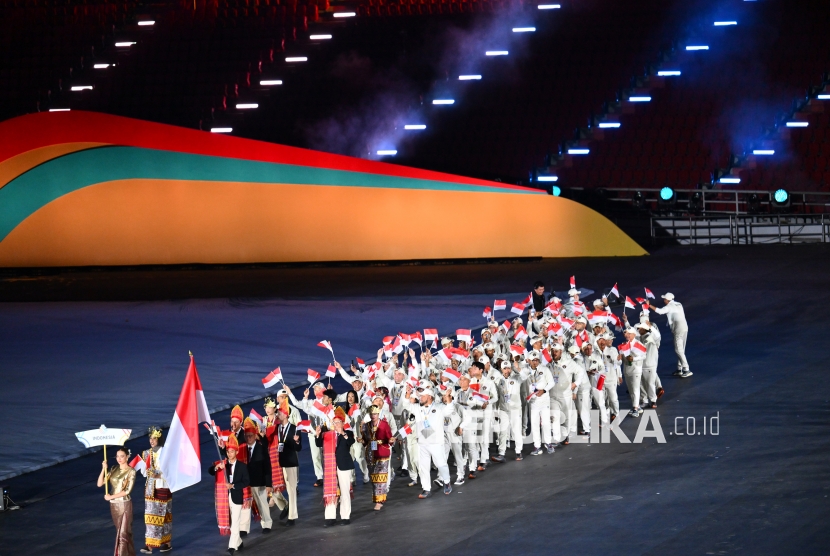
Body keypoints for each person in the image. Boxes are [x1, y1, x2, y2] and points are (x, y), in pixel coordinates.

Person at [403, 385, 455, 497]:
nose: (420, 398)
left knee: (441, 464)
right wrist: (407, 394)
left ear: (430, 397)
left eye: (423, 396)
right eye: (420, 396)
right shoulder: (417, 408)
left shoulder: (439, 407)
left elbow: (449, 410)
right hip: (422, 442)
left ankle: (447, 482)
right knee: (423, 467)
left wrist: (448, 397)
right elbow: (406, 405)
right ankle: (426, 488)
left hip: (436, 442)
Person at [209, 434, 249, 555]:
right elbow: (210, 471)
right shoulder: (224, 464)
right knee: (231, 522)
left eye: (232, 452)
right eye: (228, 452)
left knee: (235, 522)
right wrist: (217, 467)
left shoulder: (242, 466)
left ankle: (232, 547)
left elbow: (246, 482)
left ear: (236, 452)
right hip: (225, 498)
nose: (229, 454)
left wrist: (233, 486)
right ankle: (239, 542)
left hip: (236, 496)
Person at [315, 406, 355, 526]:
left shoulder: (348, 433)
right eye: (334, 422)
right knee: (330, 491)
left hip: (344, 465)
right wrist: (317, 435)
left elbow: (350, 442)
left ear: (343, 423)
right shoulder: (328, 435)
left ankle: (345, 516)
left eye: (338, 422)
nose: (336, 424)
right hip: (331, 466)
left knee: (345, 491)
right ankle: (330, 517)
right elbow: (318, 444)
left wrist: (343, 433)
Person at [98, 446, 137, 556]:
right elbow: (100, 484)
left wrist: (111, 496)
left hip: (125, 504)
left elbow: (127, 490)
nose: (119, 458)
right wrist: (103, 469)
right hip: (114, 506)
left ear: (127, 457)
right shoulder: (113, 468)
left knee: (123, 533)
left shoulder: (131, 471)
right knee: (120, 532)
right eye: (117, 456)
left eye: (122, 456)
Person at [139, 427, 172, 554]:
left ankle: (167, 543)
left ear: (159, 439)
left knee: (164, 516)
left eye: (154, 438)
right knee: (150, 516)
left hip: (163, 486)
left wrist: (159, 475)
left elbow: (171, 470)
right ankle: (149, 545)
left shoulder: (166, 453)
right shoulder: (147, 453)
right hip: (150, 487)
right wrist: (147, 471)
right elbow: (144, 471)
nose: (151, 441)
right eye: (150, 438)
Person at [269, 397, 301, 526]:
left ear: (286, 414)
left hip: (290, 463)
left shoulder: (294, 428)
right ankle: (285, 506)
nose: (278, 415)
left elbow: (298, 448)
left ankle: (292, 517)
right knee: (273, 488)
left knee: (291, 490)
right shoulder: (276, 428)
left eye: (280, 413)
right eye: (278, 413)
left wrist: (297, 442)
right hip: (279, 463)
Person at [361, 405, 395, 510]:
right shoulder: (366, 425)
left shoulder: (384, 424)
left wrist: (391, 441)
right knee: (373, 478)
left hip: (382, 453)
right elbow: (365, 441)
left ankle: (380, 501)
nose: (373, 416)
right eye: (371, 414)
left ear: (378, 414)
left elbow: (389, 438)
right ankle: (376, 498)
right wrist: (361, 440)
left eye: (375, 414)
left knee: (381, 477)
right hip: (370, 454)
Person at [649, 292, 691, 377]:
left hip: (678, 329)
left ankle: (686, 369)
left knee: (678, 350)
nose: (663, 300)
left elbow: (660, 311)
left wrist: (649, 305)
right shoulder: (679, 304)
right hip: (685, 328)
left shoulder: (669, 307)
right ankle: (679, 368)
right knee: (681, 349)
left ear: (667, 300)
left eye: (664, 299)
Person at [242, 417, 272, 533]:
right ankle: (244, 528)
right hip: (247, 483)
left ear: (255, 436)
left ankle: (266, 524)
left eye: (250, 436)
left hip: (260, 482)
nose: (248, 438)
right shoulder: (243, 450)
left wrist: (268, 484)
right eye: (246, 436)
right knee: (246, 505)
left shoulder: (261, 449)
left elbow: (267, 467)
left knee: (262, 503)